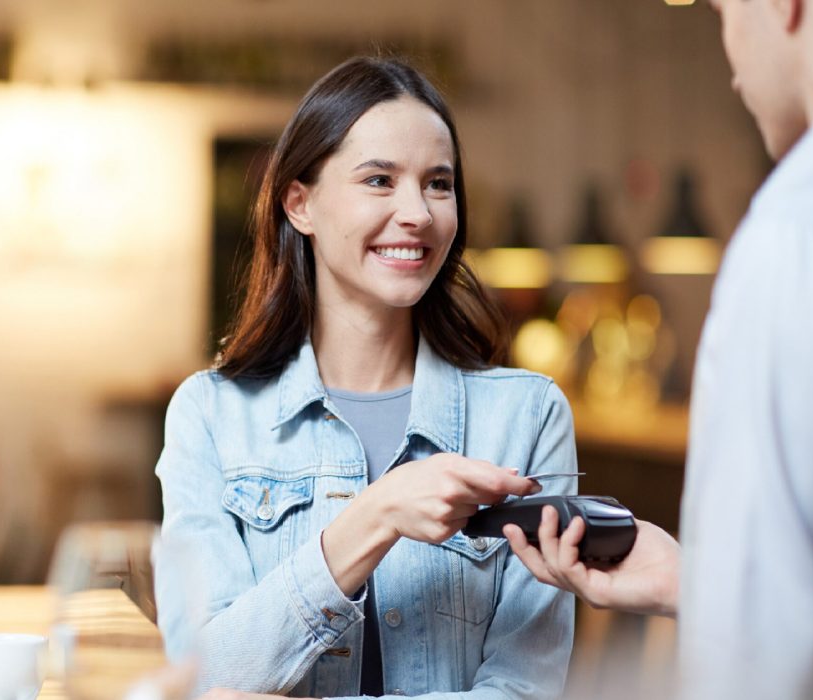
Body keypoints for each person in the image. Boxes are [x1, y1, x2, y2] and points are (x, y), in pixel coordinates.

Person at [154, 56, 578, 700]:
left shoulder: (527, 416)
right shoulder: (210, 415)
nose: (418, 212)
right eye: (380, 180)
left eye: (438, 184)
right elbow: (204, 675)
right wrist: (375, 514)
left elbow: (525, 689)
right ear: (300, 203)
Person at [504, 0, 813, 697]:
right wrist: (696, 582)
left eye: (721, 11)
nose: (730, 57)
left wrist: (723, 604)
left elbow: (756, 661)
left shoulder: (791, 238)